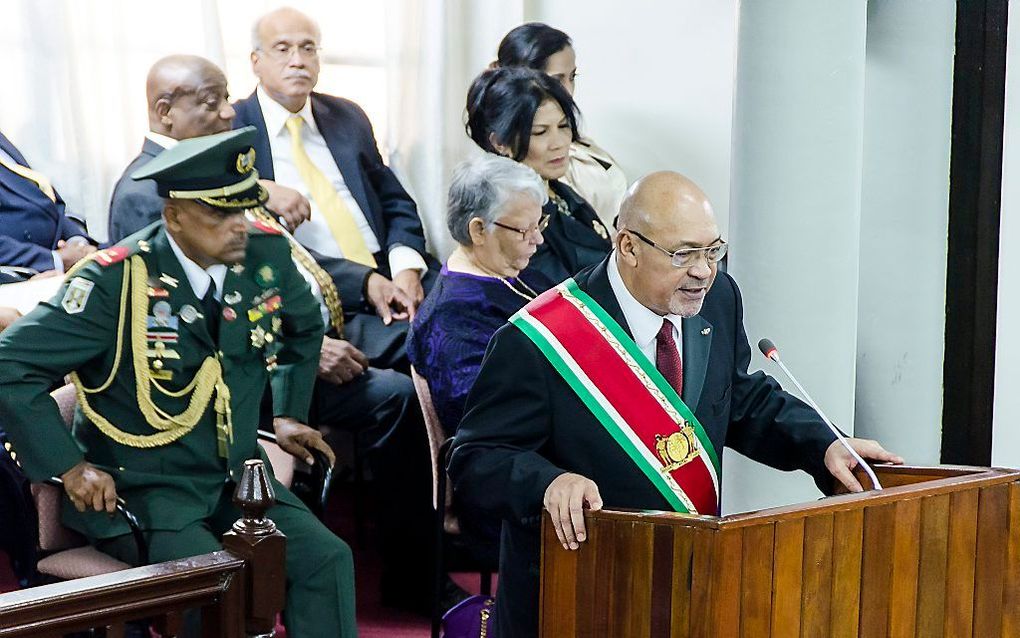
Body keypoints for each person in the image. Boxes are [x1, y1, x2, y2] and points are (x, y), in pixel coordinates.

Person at [448, 171, 904, 637]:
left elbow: (739, 398)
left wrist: (824, 444)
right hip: (577, 594)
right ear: (627, 247)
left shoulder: (718, 299)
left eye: (712, 250)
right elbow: (474, 460)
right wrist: (547, 482)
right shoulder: (541, 338)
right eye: (683, 254)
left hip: (685, 587)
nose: (704, 270)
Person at [106, 54, 448, 612]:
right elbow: (191, 332)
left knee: (425, 341)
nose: (226, 115)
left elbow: (277, 261)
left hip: (292, 341)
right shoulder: (151, 193)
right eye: (211, 103)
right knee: (396, 401)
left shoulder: (207, 171)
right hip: (221, 391)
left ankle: (440, 546)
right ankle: (412, 577)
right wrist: (303, 355)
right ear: (165, 113)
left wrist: (363, 282)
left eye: (224, 100)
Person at [0, 128, 356, 637]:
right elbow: (10, 364)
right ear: (174, 217)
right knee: (212, 586)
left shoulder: (263, 255)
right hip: (144, 487)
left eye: (246, 208)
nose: (240, 227)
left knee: (327, 559)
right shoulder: (114, 281)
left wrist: (288, 413)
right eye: (221, 213)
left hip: (237, 477)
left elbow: (304, 327)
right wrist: (70, 468)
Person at [233, 6, 437, 318]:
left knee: (486, 321)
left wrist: (406, 266)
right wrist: (255, 188)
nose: (298, 60)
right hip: (324, 289)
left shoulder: (347, 116)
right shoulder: (235, 129)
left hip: (391, 268)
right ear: (255, 61)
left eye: (308, 48)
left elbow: (394, 200)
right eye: (282, 49)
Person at [408, 154, 552, 435]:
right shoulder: (452, 319)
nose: (538, 239)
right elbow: (487, 423)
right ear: (478, 229)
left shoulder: (511, 269)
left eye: (540, 224)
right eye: (525, 230)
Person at [466, 66, 612, 284]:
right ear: (500, 143)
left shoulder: (555, 188)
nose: (560, 142)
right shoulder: (513, 221)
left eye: (563, 126)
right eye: (540, 132)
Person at [495, 22, 628, 228]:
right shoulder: (528, 171)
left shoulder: (579, 144)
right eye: (557, 79)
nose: (568, 90)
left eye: (572, 77)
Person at [0, 130, 97, 276]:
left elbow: (44, 200)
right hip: (26, 275)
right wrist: (56, 260)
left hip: (62, 258)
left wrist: (77, 241)